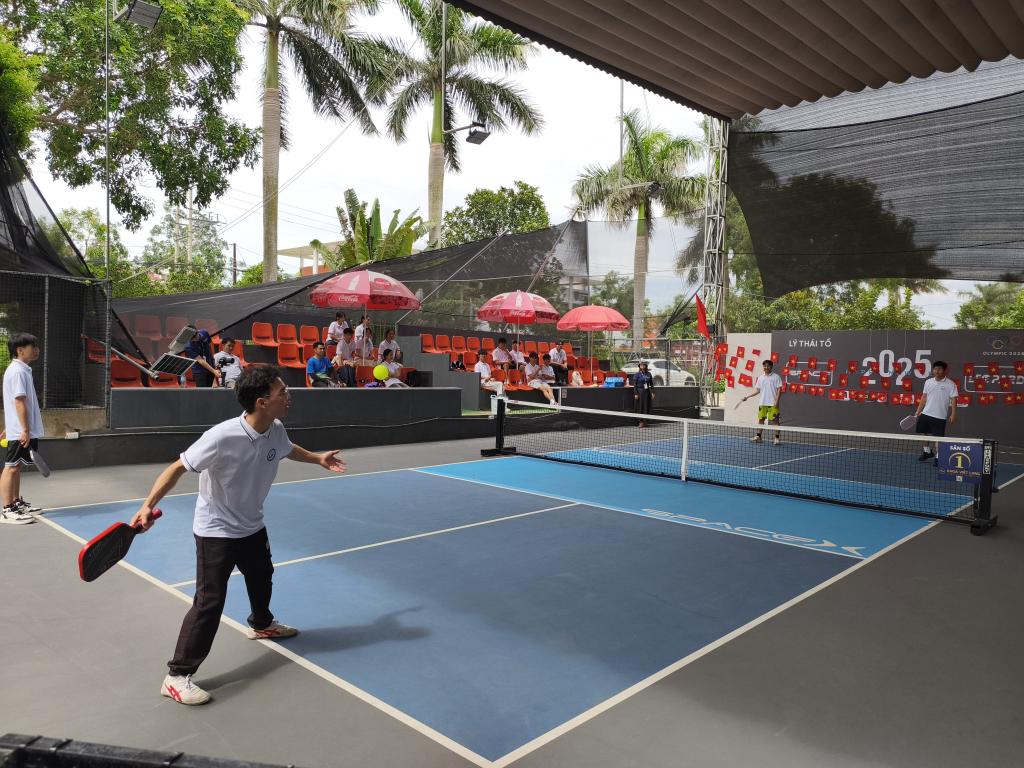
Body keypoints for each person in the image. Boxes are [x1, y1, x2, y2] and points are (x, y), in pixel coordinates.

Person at [128, 365, 345, 705]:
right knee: (209, 602)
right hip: (216, 530)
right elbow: (176, 468)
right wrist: (147, 506)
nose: (288, 396)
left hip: (251, 525)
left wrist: (317, 458)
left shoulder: (274, 428)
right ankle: (176, 676)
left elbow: (287, 448)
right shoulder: (221, 437)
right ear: (262, 402)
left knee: (262, 576)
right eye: (282, 393)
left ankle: (261, 624)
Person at [2, 333, 44, 524]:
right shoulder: (17, 371)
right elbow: (18, 402)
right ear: (20, 350)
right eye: (33, 347)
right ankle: (7, 509)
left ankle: (15, 502)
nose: (37, 350)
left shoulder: (22, 370)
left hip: (20, 429)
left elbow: (13, 402)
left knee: (17, 466)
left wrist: (9, 426)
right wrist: (24, 430)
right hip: (21, 431)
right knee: (11, 467)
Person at [914, 360, 958, 462]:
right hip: (926, 413)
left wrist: (953, 414)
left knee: (938, 438)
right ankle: (927, 452)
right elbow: (924, 398)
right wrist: (918, 411)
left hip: (940, 416)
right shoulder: (928, 382)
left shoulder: (951, 384)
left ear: (945, 371)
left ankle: (938, 457)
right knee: (923, 433)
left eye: (939, 369)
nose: (937, 371)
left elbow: (954, 400)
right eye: (935, 369)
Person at [741, 359, 783, 445]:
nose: (766, 367)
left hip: (773, 404)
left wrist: (776, 401)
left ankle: (776, 438)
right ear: (763, 367)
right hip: (762, 403)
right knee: (761, 420)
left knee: (775, 421)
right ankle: (759, 437)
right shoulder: (760, 378)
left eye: (768, 366)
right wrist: (747, 397)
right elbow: (758, 391)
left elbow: (779, 390)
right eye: (765, 366)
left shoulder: (776, 377)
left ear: (771, 367)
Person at [633, 360, 655, 427]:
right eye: (641, 365)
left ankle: (645, 421)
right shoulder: (637, 374)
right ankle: (640, 421)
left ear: (646, 366)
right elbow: (635, 385)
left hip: (647, 392)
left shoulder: (649, 374)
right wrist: (636, 393)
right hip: (640, 392)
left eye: (643, 365)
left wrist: (653, 392)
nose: (642, 366)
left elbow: (651, 384)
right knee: (640, 407)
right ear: (639, 366)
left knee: (647, 406)